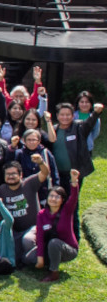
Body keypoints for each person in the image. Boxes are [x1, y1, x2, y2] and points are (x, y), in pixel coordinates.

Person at [52, 100, 103, 239]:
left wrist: (97, 112)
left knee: (72, 203)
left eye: (68, 115)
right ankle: (59, 231)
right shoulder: (54, 129)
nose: (65, 117)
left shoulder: (78, 127)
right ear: (57, 116)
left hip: (74, 175)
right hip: (58, 175)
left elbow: (89, 124)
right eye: (62, 115)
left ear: (72, 116)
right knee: (57, 202)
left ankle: (75, 235)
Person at [0, 158, 50, 266]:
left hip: (33, 227)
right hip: (14, 231)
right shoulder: (0, 191)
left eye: (14, 173)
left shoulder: (29, 183)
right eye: (8, 174)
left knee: (27, 240)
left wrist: (41, 162)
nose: (10, 176)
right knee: (15, 258)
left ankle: (43, 257)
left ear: (20, 175)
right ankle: (27, 259)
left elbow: (45, 173)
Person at [35, 170, 80, 283]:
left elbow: (74, 197)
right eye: (51, 196)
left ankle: (53, 272)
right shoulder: (41, 214)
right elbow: (40, 237)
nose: (53, 199)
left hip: (68, 249)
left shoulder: (67, 211)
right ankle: (47, 262)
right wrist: (40, 258)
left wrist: (74, 182)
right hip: (49, 247)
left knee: (54, 243)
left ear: (62, 200)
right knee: (29, 259)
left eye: (57, 197)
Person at [9, 129, 59, 207]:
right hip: (24, 192)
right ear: (24, 141)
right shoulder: (19, 154)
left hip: (44, 192)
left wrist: (55, 188)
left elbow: (53, 172)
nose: (31, 142)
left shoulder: (45, 152)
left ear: (38, 141)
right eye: (29, 140)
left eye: (34, 140)